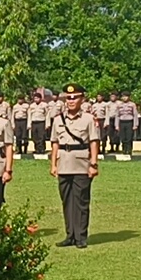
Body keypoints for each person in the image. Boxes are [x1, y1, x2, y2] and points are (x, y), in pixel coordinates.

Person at [49, 83, 99, 249]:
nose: (70, 101)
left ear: (82, 99)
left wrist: (93, 164)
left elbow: (93, 142)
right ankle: (70, 234)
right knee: (67, 201)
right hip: (64, 163)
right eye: (68, 98)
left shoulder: (88, 119)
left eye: (74, 97)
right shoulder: (58, 120)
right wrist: (53, 164)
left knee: (81, 201)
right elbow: (55, 143)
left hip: (81, 164)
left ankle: (81, 236)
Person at [114, 91, 138, 155]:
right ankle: (124, 150)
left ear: (129, 97)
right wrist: (116, 125)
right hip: (122, 122)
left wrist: (135, 125)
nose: (124, 98)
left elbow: (135, 115)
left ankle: (129, 150)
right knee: (123, 137)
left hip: (129, 122)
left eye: (126, 96)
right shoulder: (119, 105)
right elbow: (117, 115)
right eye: (123, 96)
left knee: (129, 137)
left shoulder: (132, 104)